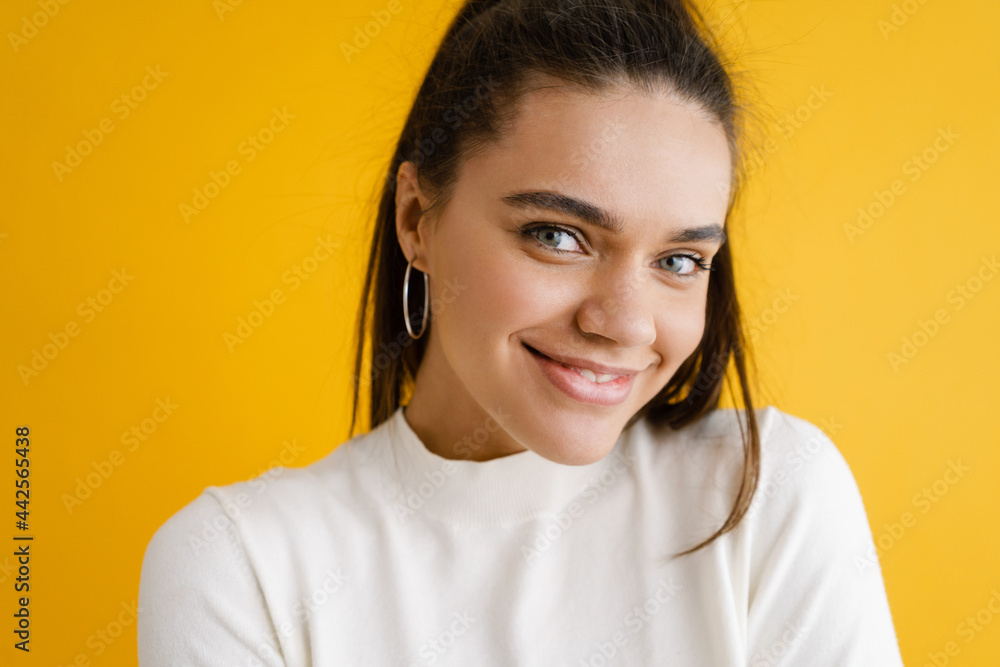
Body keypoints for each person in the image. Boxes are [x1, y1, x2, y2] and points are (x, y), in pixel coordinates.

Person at [137, 0, 905, 664]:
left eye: (679, 258)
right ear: (417, 219)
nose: (626, 322)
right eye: (557, 235)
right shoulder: (239, 565)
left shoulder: (767, 495)